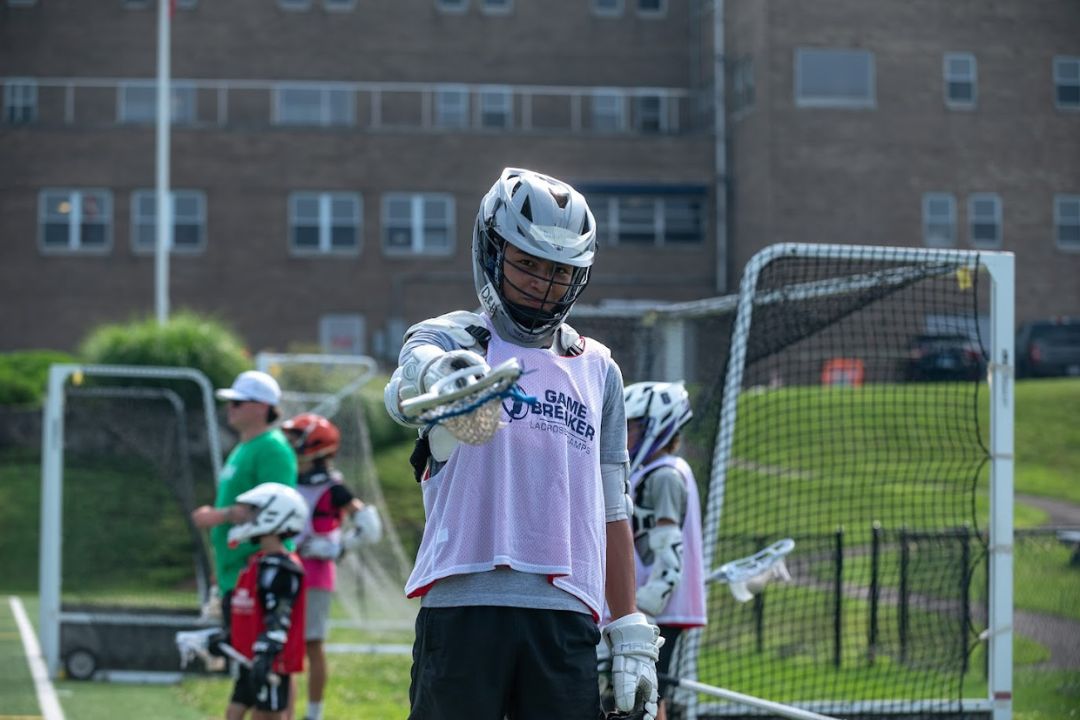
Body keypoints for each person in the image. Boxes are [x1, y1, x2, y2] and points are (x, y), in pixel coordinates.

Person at [384, 167, 663, 720]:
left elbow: (612, 507)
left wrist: (628, 624)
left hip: (566, 616)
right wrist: (442, 378)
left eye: (559, 271)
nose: (542, 282)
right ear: (492, 253)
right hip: (464, 608)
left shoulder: (598, 369)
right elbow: (408, 382)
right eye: (527, 263)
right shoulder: (454, 338)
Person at [280, 412, 384, 720]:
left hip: (315, 576)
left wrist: (338, 547)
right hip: (285, 571)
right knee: (283, 643)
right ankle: (283, 710)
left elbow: (370, 527)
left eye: (294, 439)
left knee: (312, 643)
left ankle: (313, 714)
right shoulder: (287, 480)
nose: (288, 444)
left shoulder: (333, 488)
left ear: (313, 445)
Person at [622, 381, 707, 720]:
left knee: (646, 693)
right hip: (653, 606)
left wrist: (646, 602)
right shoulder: (653, 473)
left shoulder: (665, 476)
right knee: (647, 693)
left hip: (656, 609)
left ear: (655, 427)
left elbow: (669, 545)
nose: (625, 434)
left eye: (632, 426)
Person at [193, 370, 299, 609]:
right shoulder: (245, 447)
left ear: (262, 407)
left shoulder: (272, 449)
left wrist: (220, 515)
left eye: (238, 402)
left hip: (259, 576)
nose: (230, 408)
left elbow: (277, 511)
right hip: (236, 575)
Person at [222, 482, 308, 720]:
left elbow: (280, 615)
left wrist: (267, 651)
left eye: (254, 511)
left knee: (266, 715)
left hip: (270, 660)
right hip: (251, 658)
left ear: (274, 514)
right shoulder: (258, 563)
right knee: (233, 713)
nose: (247, 517)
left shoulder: (282, 568)